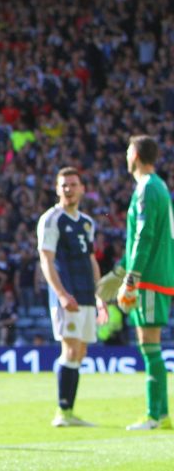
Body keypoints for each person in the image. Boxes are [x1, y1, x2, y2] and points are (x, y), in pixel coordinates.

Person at [116, 135, 174, 430]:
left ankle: (156, 414)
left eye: (128, 151)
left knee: (149, 344)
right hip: (157, 276)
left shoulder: (147, 188)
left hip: (149, 279)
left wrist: (132, 277)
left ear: (135, 154)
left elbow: (145, 235)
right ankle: (159, 413)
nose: (126, 156)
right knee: (149, 343)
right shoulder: (160, 187)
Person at [36, 166, 100, 427]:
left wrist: (99, 295)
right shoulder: (51, 219)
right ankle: (62, 411)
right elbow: (46, 260)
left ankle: (69, 411)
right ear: (57, 188)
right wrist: (61, 294)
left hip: (86, 295)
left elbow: (92, 260)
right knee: (70, 348)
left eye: (73, 184)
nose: (68, 189)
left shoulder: (87, 222)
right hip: (67, 295)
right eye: (63, 185)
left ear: (82, 188)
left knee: (80, 352)